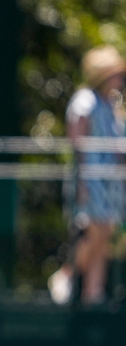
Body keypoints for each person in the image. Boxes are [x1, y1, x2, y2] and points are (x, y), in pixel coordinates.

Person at [48, 45, 126, 306]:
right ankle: (66, 274)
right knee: (92, 234)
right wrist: (81, 181)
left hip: (110, 183)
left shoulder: (112, 104)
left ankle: (94, 293)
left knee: (105, 236)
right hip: (90, 180)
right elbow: (77, 143)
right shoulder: (85, 101)